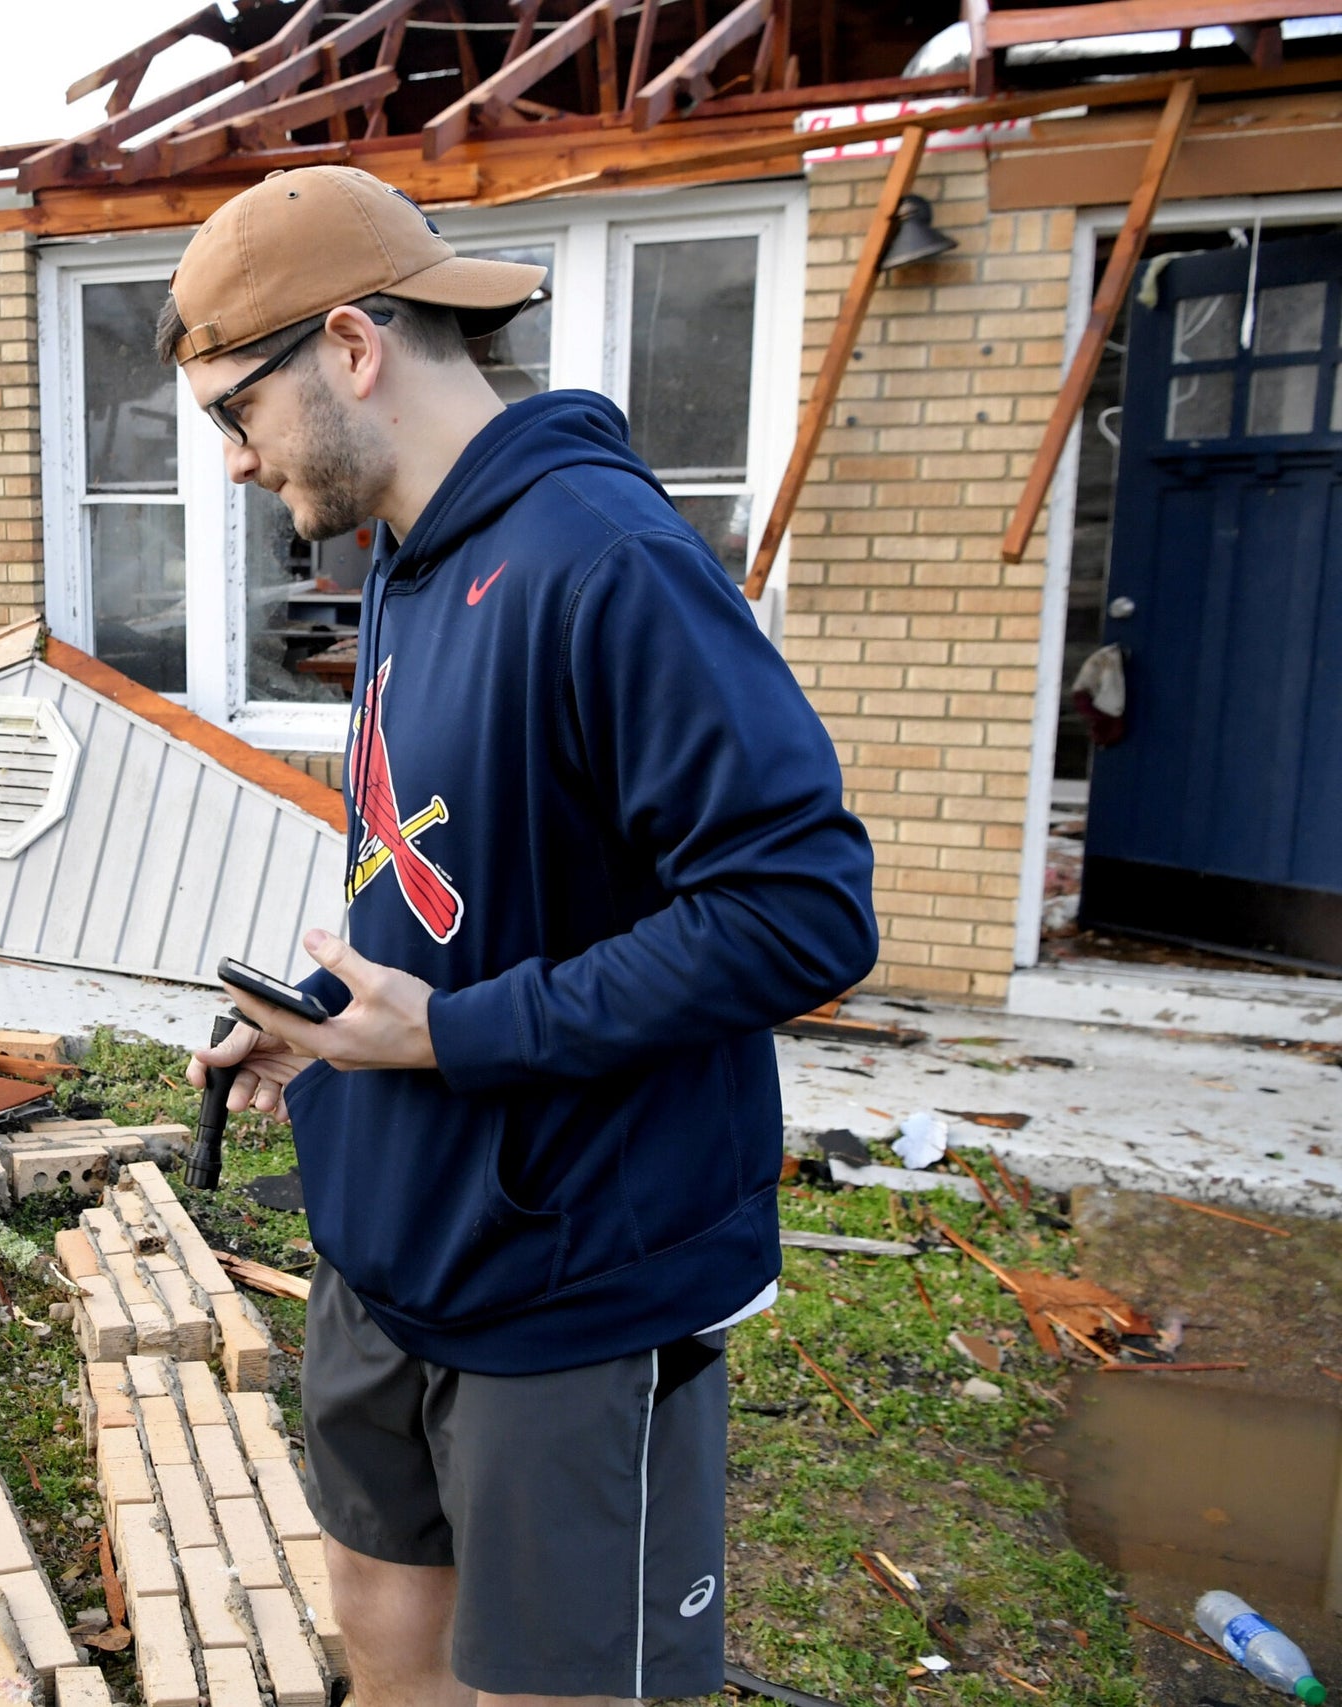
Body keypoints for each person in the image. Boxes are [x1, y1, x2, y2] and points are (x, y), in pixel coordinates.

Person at [167, 167, 879, 1706]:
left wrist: (450, 1032)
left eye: (238, 414)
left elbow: (801, 909)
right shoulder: (412, 562)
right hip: (396, 1234)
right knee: (381, 1624)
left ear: (351, 345)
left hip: (571, 1274)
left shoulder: (604, 561)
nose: (232, 463)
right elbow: (465, 877)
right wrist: (332, 1027)